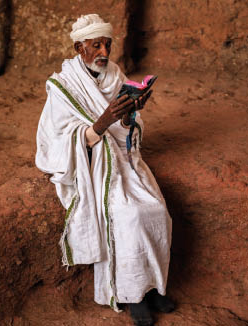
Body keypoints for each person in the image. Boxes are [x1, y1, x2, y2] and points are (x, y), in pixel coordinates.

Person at [36, 14, 174, 326]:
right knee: (128, 215)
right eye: (96, 45)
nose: (104, 51)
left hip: (123, 157)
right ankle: (130, 295)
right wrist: (102, 122)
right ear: (78, 47)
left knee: (156, 210)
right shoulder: (62, 85)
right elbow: (55, 140)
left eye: (107, 45)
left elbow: (128, 129)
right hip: (92, 162)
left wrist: (130, 115)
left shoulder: (115, 75)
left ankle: (153, 287)